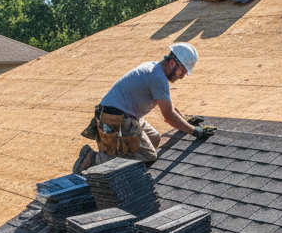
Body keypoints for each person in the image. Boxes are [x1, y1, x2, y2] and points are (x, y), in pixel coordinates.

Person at [73, 43, 211, 173]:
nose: (182, 76)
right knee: (148, 156)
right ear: (172, 63)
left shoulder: (155, 70)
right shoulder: (157, 77)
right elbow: (168, 116)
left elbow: (169, 107)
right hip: (115, 118)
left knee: (154, 139)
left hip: (124, 115)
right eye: (183, 71)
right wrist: (194, 131)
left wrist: (186, 121)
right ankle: (94, 159)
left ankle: (115, 154)